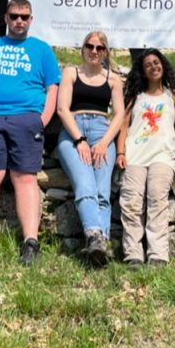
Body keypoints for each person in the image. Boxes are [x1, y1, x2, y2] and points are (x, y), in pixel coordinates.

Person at [0, 0, 61, 266]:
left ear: (31, 20)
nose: (19, 21)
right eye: (15, 16)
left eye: (24, 16)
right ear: (5, 18)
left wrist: (42, 120)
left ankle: (30, 242)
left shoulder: (42, 50)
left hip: (27, 118)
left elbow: (53, 88)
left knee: (25, 178)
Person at [55, 31, 125, 266]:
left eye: (99, 47)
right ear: (82, 48)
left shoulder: (113, 79)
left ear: (106, 52)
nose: (94, 51)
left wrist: (105, 142)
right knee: (86, 185)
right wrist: (79, 140)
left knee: (102, 192)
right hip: (75, 130)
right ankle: (94, 235)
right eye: (90, 46)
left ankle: (99, 249)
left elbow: (120, 114)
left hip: (102, 130)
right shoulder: (71, 73)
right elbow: (63, 109)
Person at [117, 50, 175, 268]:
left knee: (157, 198)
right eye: (148, 65)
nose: (154, 67)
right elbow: (123, 127)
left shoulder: (174, 96)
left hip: (164, 155)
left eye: (157, 62)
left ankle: (158, 254)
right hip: (135, 155)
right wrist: (120, 152)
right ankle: (133, 254)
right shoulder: (135, 96)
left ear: (163, 65)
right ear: (143, 71)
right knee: (131, 202)